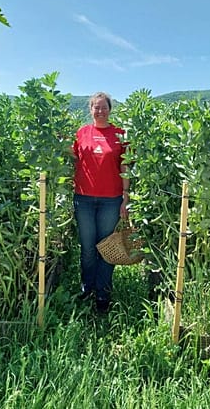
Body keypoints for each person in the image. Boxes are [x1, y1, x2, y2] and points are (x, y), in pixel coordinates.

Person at [71, 91, 129, 314]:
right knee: (87, 248)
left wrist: (126, 197)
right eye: (96, 107)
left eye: (104, 107)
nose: (100, 111)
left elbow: (125, 167)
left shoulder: (120, 134)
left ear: (110, 109)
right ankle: (87, 289)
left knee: (107, 248)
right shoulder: (82, 133)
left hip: (111, 200)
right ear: (90, 110)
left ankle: (103, 294)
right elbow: (74, 156)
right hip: (83, 198)